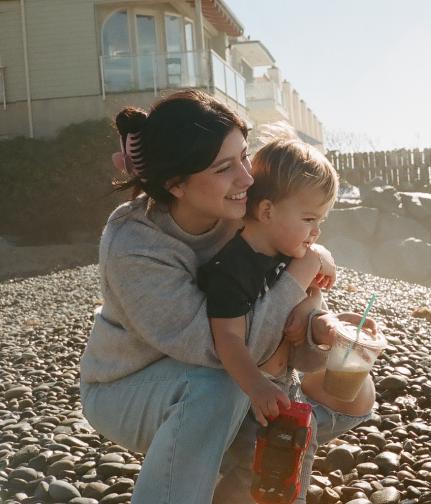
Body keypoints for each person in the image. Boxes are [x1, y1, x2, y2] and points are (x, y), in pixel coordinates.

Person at [79, 89, 377, 504]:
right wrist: (305, 269)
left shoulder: (240, 207)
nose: (247, 179)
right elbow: (222, 350)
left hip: (229, 378)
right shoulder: (135, 245)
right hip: (126, 388)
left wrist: (315, 311)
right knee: (222, 387)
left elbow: (288, 279)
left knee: (339, 402)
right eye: (225, 167)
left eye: (244, 156)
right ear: (176, 185)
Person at [207, 135, 378, 502]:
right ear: (267, 211)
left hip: (282, 389)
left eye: (321, 220)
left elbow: (305, 307)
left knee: (286, 464)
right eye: (309, 219)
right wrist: (256, 386)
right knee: (261, 474)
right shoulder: (232, 269)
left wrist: (322, 319)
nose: (317, 231)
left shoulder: (286, 254)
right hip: (245, 397)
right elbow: (229, 340)